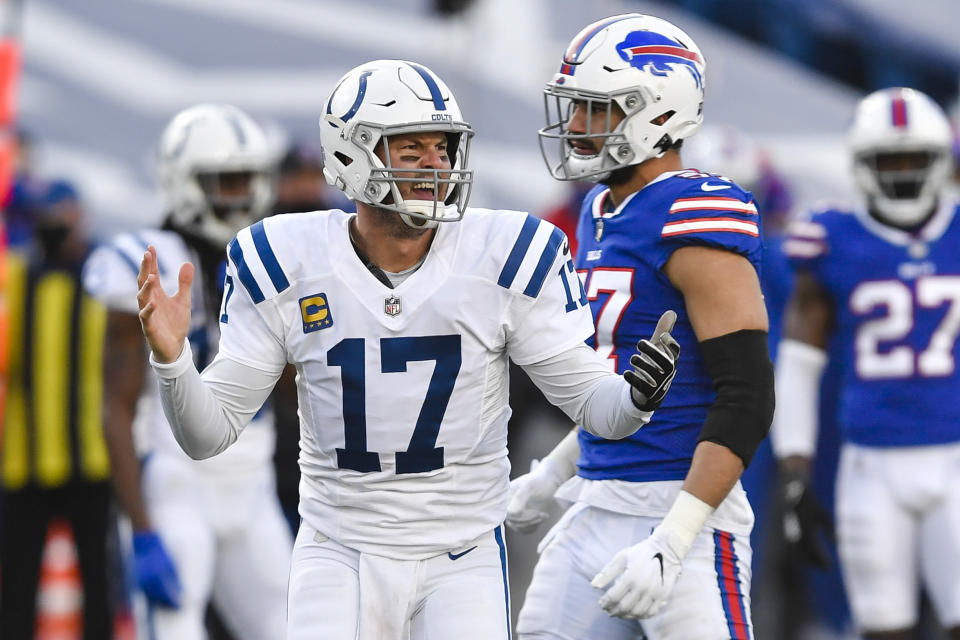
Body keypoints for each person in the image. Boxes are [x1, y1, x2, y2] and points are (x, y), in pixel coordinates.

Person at [134, 58, 681, 640]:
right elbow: (206, 434)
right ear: (353, 153)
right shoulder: (287, 258)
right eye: (410, 147)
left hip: (460, 555)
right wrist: (172, 361)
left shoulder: (503, 253)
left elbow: (600, 411)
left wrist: (636, 398)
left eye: (443, 148)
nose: (435, 164)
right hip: (337, 549)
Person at [509, 14, 774, 639]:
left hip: (683, 514)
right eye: (574, 107)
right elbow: (622, 387)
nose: (574, 126)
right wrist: (551, 475)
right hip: (595, 501)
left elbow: (748, 396)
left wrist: (675, 539)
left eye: (594, 109)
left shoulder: (692, 210)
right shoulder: (602, 209)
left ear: (656, 113)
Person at [82, 104, 292, 640]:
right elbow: (117, 408)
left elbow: (297, 392)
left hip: (253, 484)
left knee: (296, 628)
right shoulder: (147, 261)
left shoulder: (267, 258)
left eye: (251, 181)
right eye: (228, 182)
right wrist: (142, 528)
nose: (243, 197)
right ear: (185, 183)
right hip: (178, 486)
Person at [772, 87, 960, 640]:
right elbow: (800, 364)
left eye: (914, 161)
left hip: (955, 456)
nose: (902, 174)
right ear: (860, 165)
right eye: (888, 161)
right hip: (869, 467)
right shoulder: (833, 239)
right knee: (882, 628)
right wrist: (794, 469)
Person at [0, 180, 113, 639]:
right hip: (23, 461)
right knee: (17, 589)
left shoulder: (102, 278)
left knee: (99, 584)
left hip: (90, 456)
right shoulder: (14, 277)